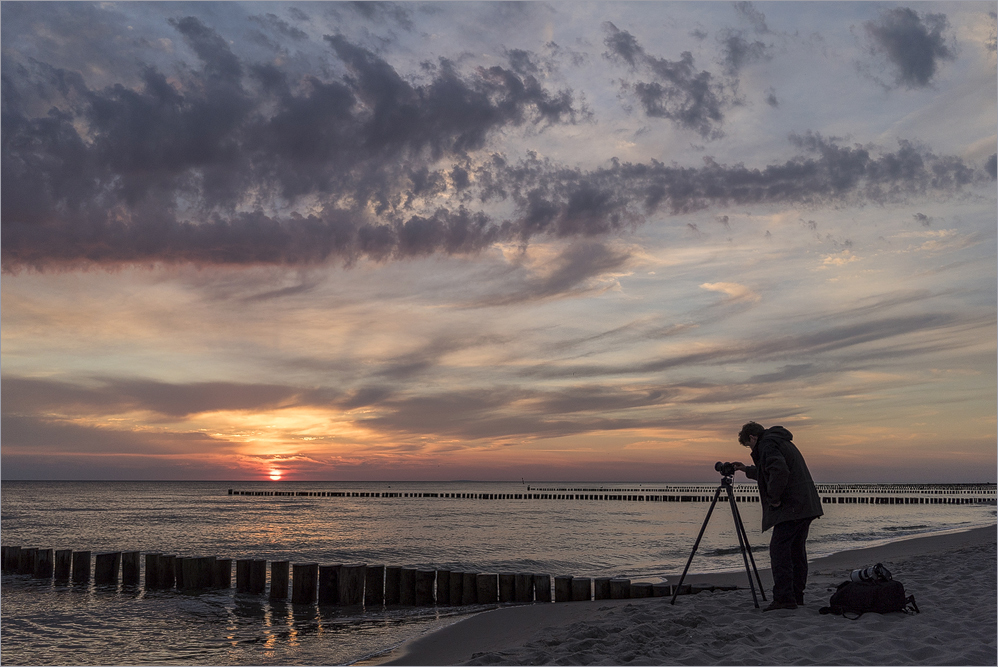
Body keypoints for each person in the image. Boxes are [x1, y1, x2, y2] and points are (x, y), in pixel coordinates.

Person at [732, 422, 823, 612]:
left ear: (752, 438)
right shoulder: (780, 441)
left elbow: (779, 470)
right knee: (796, 552)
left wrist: (774, 499)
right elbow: (768, 470)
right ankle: (796, 596)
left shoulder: (767, 444)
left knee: (779, 551)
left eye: (749, 445)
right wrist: (745, 469)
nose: (751, 449)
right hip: (805, 505)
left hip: (792, 508)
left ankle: (783, 598)